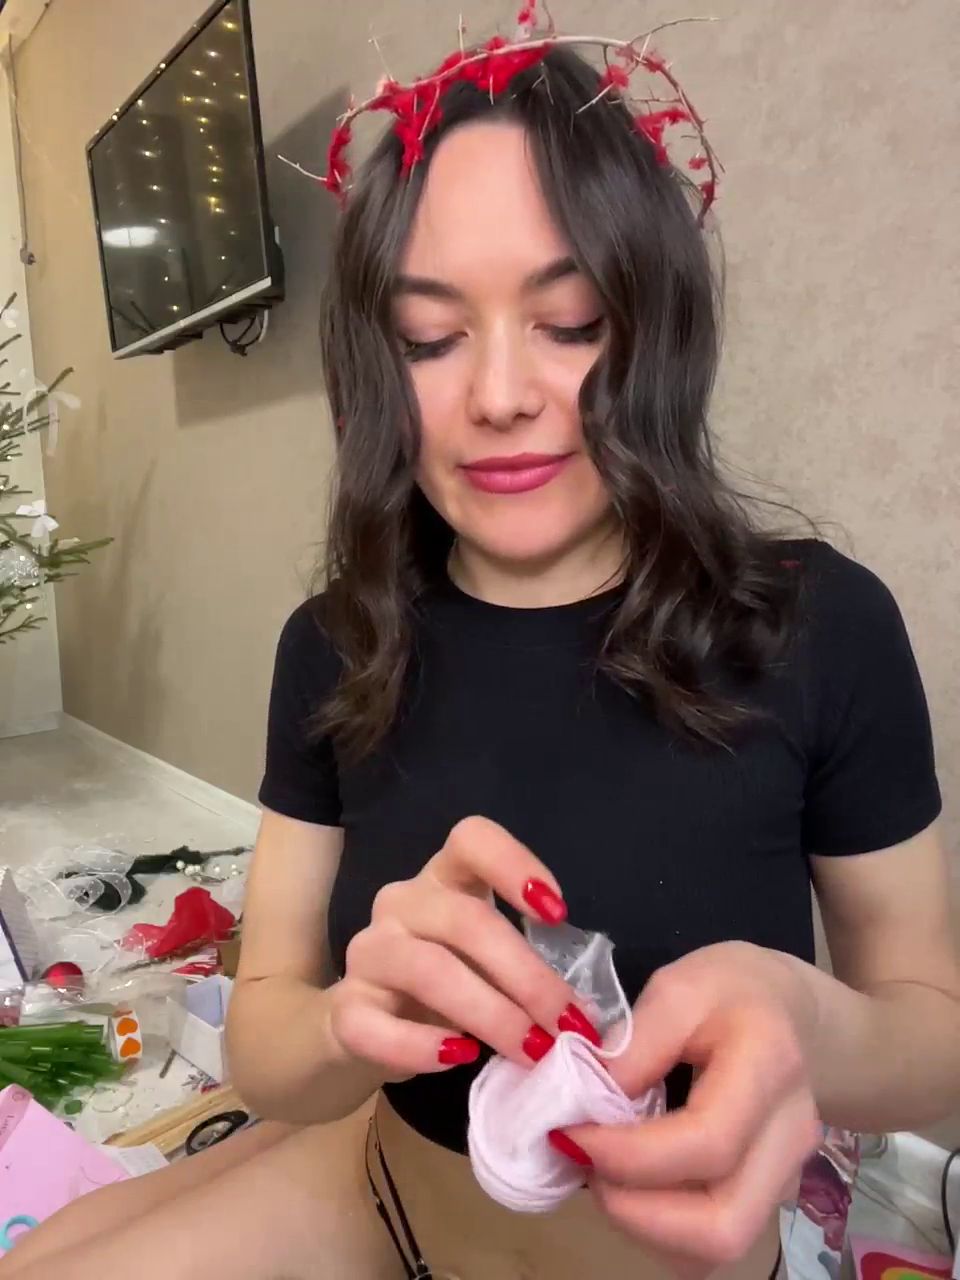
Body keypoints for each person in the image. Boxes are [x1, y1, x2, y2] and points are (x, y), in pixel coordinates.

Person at [5, 17, 958, 1280]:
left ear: (656, 329)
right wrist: (350, 1020)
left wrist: (804, 1016)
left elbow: (934, 1035)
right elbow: (269, 1047)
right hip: (380, 1198)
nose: (500, 394)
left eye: (569, 321)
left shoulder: (816, 625)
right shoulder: (337, 645)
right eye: (430, 337)